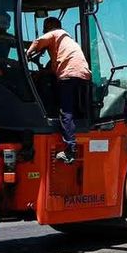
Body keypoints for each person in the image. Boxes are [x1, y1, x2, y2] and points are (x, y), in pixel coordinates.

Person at [26, 17, 92, 163]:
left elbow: (37, 42)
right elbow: (51, 68)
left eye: (45, 28)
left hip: (68, 76)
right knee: (73, 108)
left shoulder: (55, 33)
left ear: (49, 27)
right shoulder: (68, 43)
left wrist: (26, 55)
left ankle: (70, 150)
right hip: (83, 75)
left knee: (65, 112)